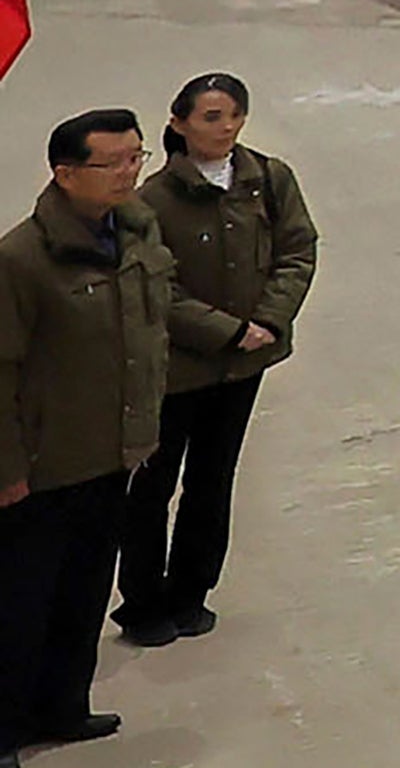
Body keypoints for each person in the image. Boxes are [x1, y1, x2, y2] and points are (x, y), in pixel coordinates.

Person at [0, 111, 172, 768]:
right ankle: (5, 725)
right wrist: (8, 466)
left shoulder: (135, 234)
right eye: (114, 162)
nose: (131, 171)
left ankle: (63, 706)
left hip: (109, 454)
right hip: (42, 467)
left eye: (136, 157)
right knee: (20, 601)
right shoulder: (21, 260)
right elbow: (1, 371)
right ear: (65, 174)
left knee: (84, 590)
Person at [114, 73, 312, 650]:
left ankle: (192, 590)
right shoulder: (147, 202)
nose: (223, 129)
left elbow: (296, 251)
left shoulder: (268, 180)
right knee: (151, 487)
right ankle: (143, 601)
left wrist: (269, 323)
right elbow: (155, 289)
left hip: (243, 364)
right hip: (178, 370)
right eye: (209, 118)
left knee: (212, 479)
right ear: (178, 124)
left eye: (232, 117)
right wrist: (227, 331)